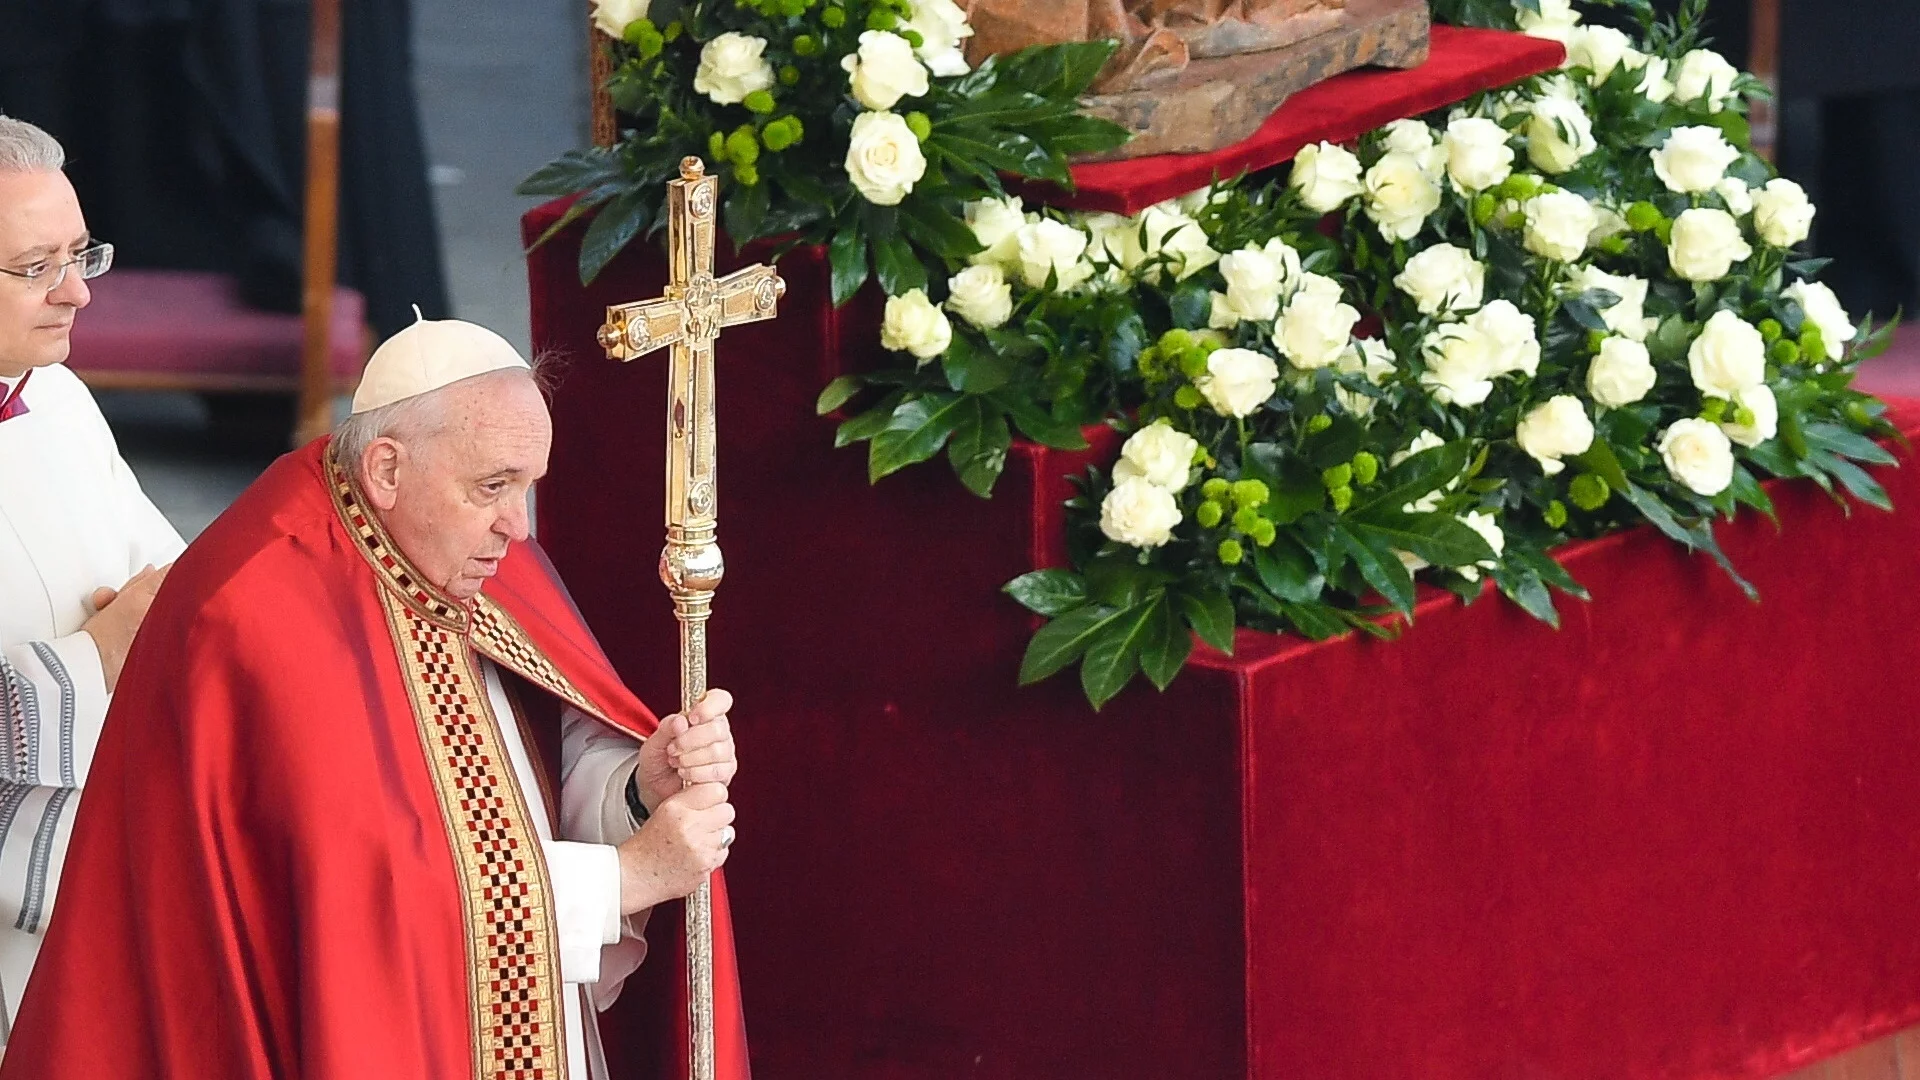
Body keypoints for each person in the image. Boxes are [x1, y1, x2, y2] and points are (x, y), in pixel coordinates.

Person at [1, 316, 748, 1079]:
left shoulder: (459, 544)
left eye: (528, 487)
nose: (516, 529)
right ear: (386, 469)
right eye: (493, 487)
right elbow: (364, 896)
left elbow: (529, 760)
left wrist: (633, 793)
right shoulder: (263, 605)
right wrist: (625, 879)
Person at [0, 115, 184, 1039]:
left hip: (101, 886)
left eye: (81, 255)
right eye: (36, 267)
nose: (77, 292)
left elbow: (171, 580)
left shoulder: (59, 400)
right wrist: (87, 664)